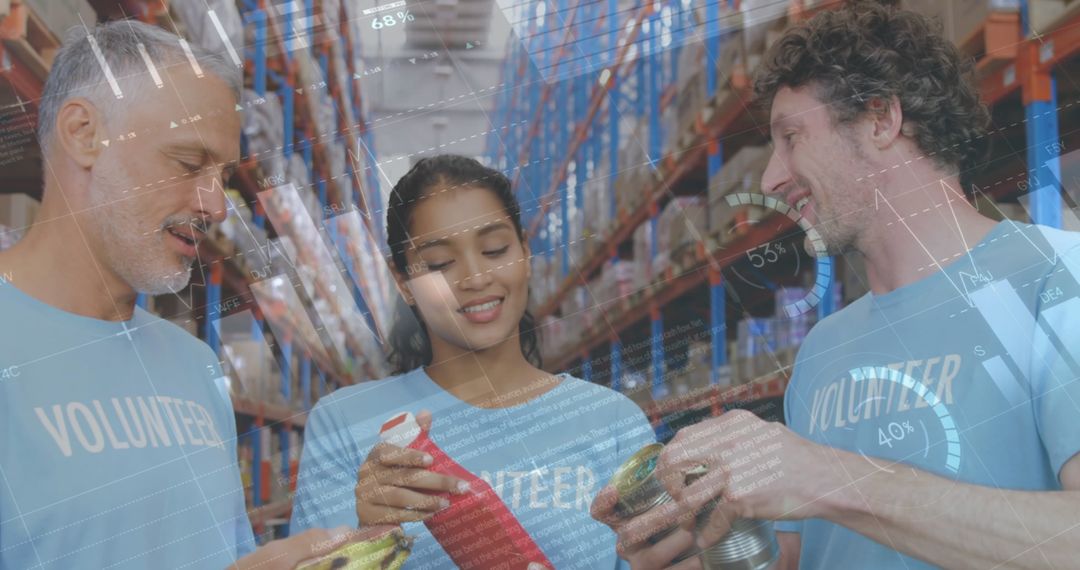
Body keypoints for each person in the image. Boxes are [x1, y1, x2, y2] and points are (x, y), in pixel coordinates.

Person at [591, 3, 1080, 569]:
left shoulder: (1057, 280)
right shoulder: (825, 346)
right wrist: (698, 556)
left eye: (791, 137)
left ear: (879, 120)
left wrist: (831, 478)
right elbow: (807, 554)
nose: (771, 178)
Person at [0, 20, 363, 569]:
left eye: (220, 174)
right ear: (81, 132)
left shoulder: (195, 366)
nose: (216, 206)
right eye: (189, 164)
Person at [289, 154, 656, 567]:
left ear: (525, 253)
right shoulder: (345, 422)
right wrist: (367, 538)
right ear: (404, 283)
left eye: (494, 249)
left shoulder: (610, 421)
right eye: (440, 264)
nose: (475, 278)